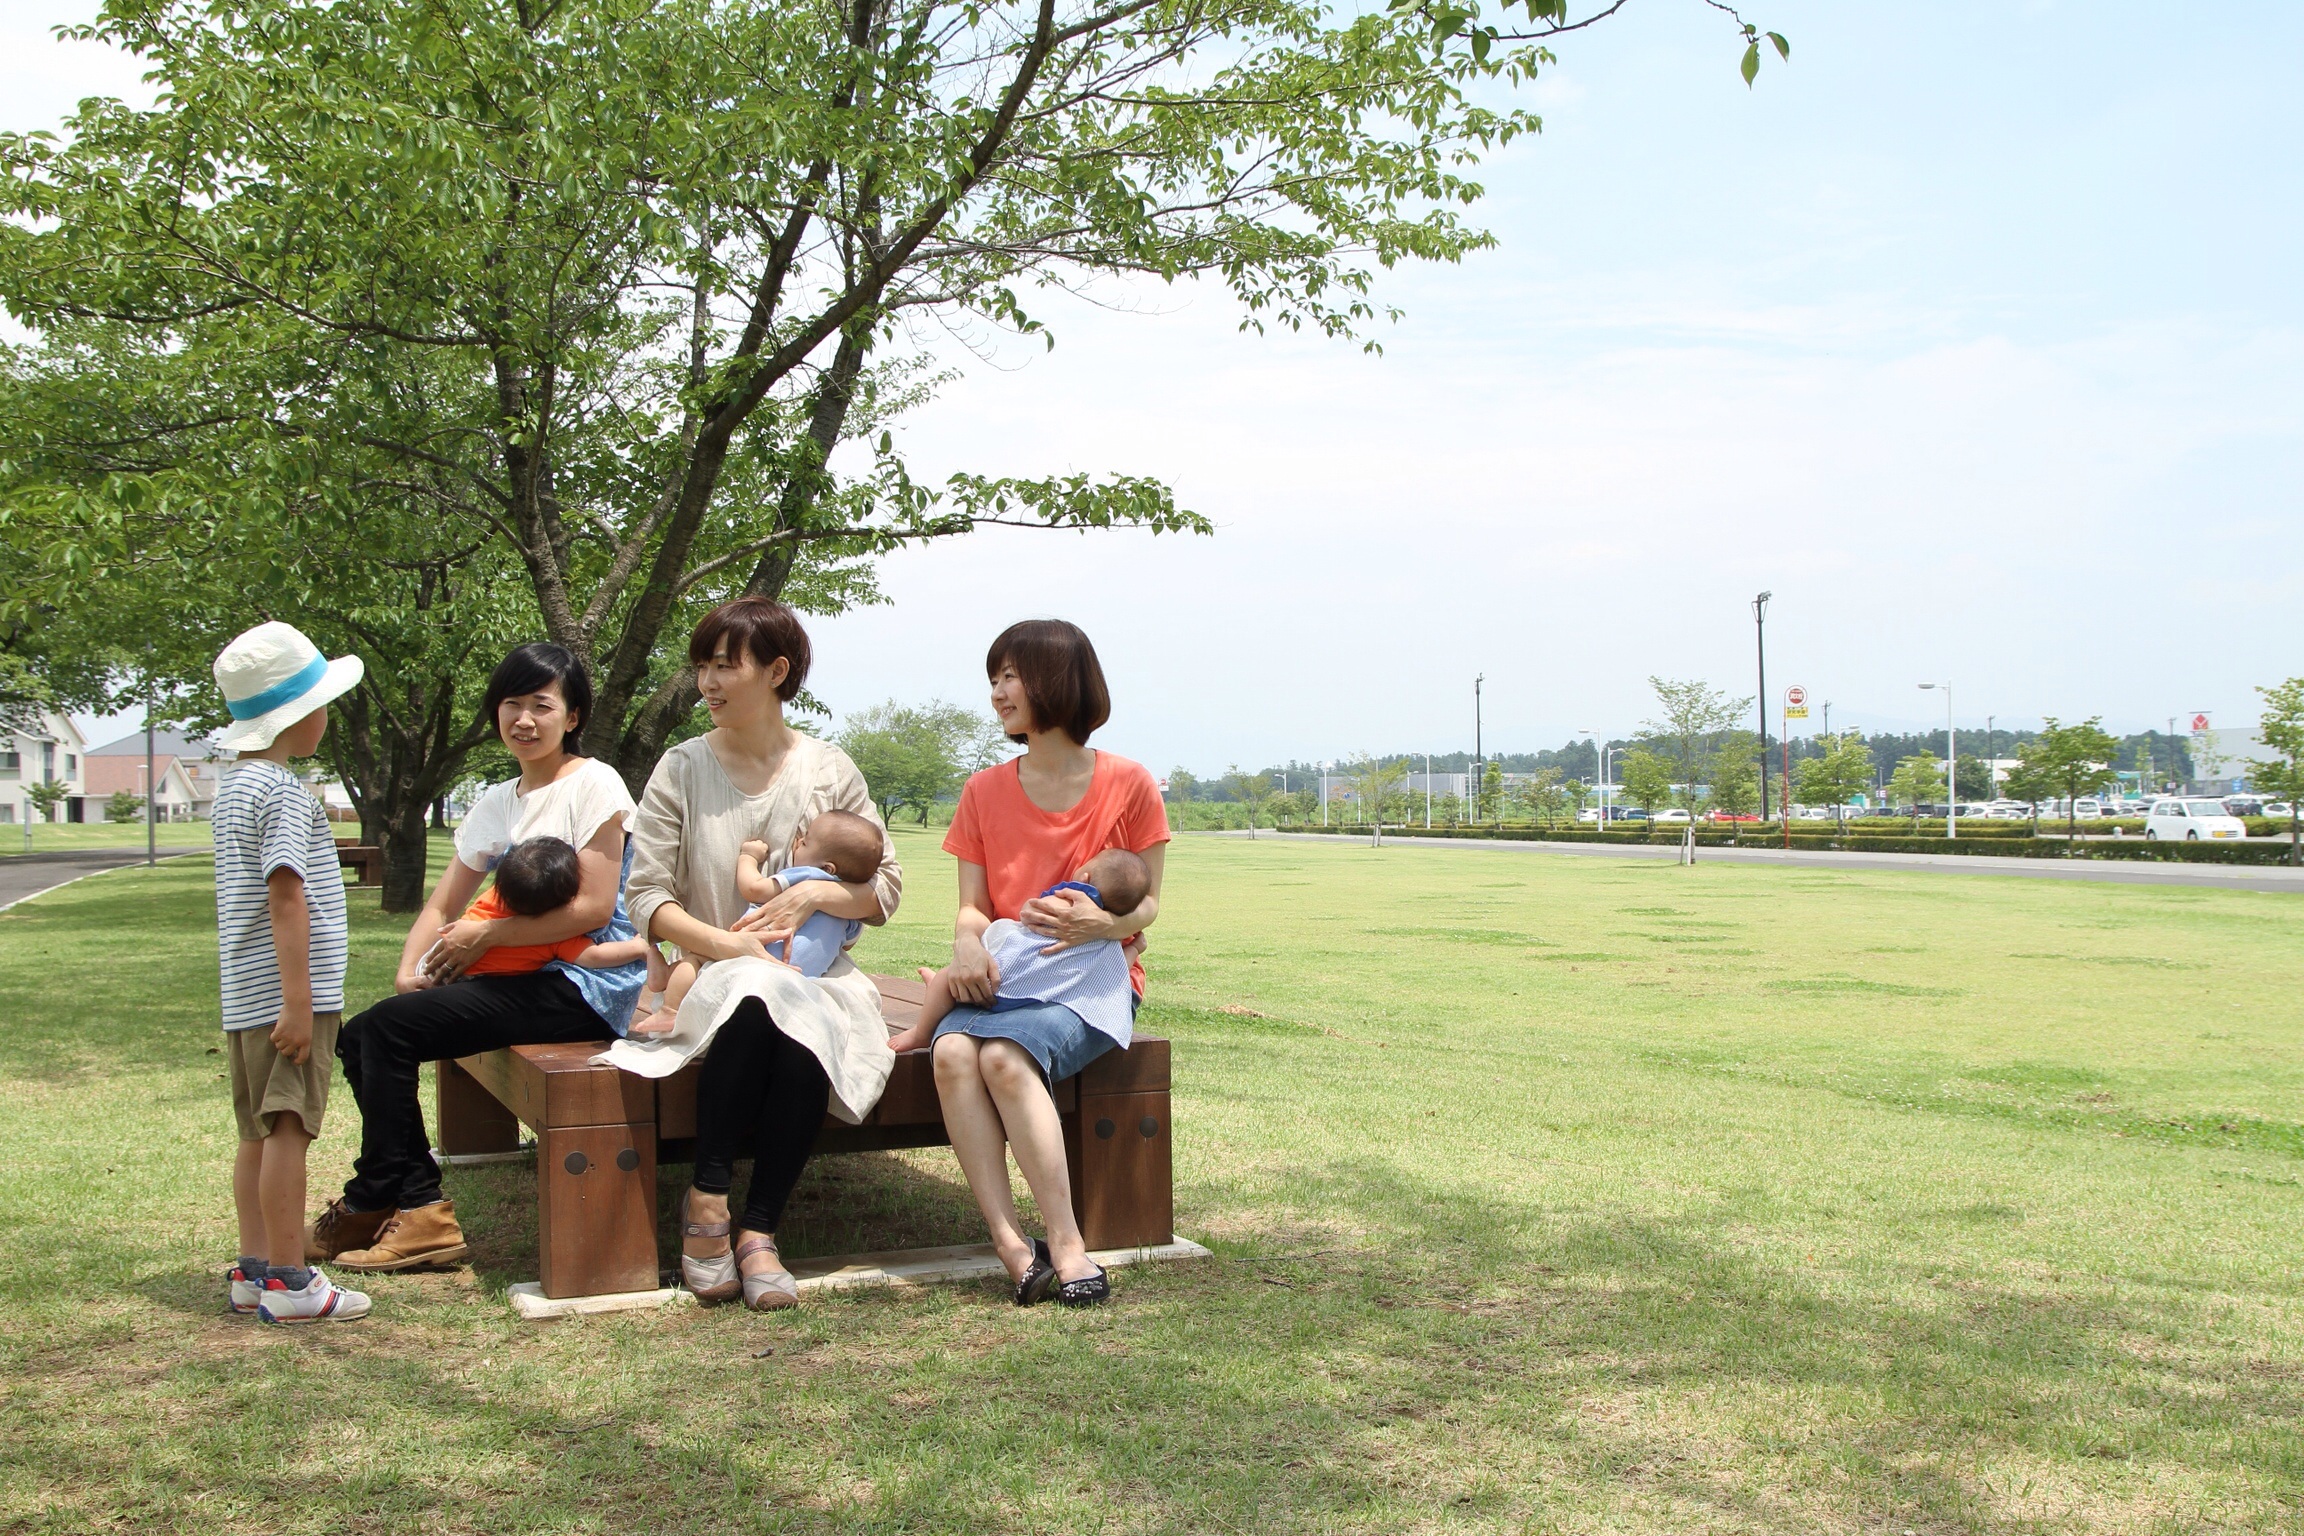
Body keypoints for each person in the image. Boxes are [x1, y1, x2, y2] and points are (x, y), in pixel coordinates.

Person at [305, 643, 646, 1274]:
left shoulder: (595, 784)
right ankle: (392, 1200)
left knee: (383, 1033)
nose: (524, 719)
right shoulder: (497, 800)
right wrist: (409, 970)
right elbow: (442, 904)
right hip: (521, 974)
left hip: (585, 982)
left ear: (572, 717)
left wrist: (486, 936)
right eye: (511, 704)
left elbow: (593, 909)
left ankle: (399, 1206)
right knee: (363, 1035)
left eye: (542, 705)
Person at [606, 597, 903, 1310]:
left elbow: (885, 887)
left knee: (797, 1013)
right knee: (758, 995)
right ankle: (711, 1200)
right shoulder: (681, 768)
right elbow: (646, 894)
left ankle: (757, 1228)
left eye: (724, 666)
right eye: (702, 666)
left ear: (776, 671)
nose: (706, 682)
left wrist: (817, 895)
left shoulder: (830, 769)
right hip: (709, 970)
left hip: (813, 976)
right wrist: (729, 944)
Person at [932, 620, 1168, 1307]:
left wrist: (1107, 924)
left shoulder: (1130, 783)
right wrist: (967, 945)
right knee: (951, 1054)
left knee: (1004, 1059)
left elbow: (1149, 905)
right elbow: (973, 908)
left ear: (1057, 682)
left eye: (1011, 676)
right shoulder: (982, 790)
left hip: (1090, 984)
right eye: (994, 678)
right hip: (1006, 974)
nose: (998, 692)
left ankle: (1065, 1242)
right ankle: (1010, 1244)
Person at [209, 621, 372, 1324]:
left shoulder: (233, 788)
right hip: (286, 997)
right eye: (322, 702)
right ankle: (289, 1279)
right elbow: (286, 895)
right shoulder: (282, 792)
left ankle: (253, 1270)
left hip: (245, 996)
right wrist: (299, 1002)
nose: (326, 714)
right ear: (297, 714)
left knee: (257, 1130)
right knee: (289, 1130)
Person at [627, 808, 882, 1036]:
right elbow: (847, 943)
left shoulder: (808, 875)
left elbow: (754, 888)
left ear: (827, 868)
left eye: (805, 842)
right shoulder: (849, 914)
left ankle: (670, 1008)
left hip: (754, 955)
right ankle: (666, 977)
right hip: (800, 981)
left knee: (697, 958)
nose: (797, 843)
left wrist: (748, 857)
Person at [885, 849, 1150, 1054]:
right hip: (1045, 998)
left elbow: (1029, 912)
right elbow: (1118, 967)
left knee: (950, 977)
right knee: (1112, 963)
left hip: (1006, 982)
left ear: (1085, 878)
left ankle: (922, 1031)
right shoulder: (1107, 935)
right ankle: (943, 992)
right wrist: (1136, 946)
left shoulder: (1069, 895)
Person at [434, 836, 651, 980]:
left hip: (447, 967)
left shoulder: (491, 899)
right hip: (489, 985)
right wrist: (637, 948)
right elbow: (594, 956)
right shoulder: (553, 934)